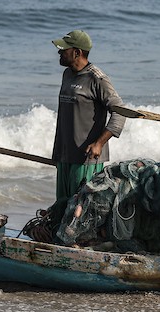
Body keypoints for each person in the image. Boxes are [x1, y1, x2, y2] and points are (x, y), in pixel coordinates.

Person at [51, 29, 126, 205]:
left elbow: (120, 112)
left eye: (64, 49)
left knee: (80, 212)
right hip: (64, 156)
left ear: (77, 52)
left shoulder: (97, 79)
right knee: (62, 207)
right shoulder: (67, 74)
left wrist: (99, 143)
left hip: (86, 160)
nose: (59, 52)